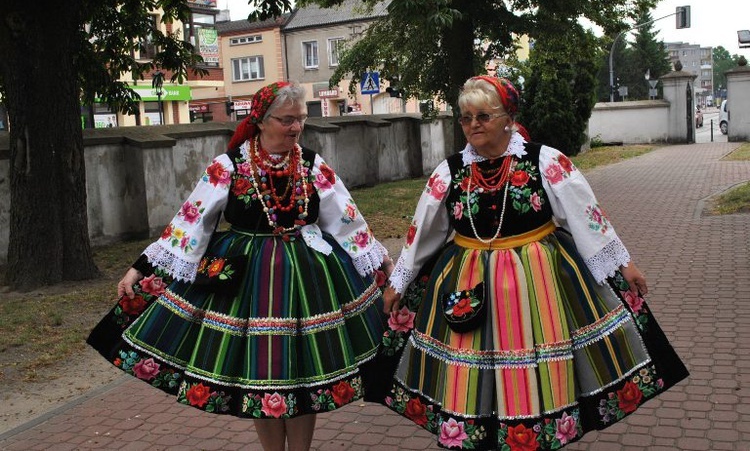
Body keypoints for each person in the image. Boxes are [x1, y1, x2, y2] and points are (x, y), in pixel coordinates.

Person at [378, 76, 688, 450]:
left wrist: (625, 266)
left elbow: (586, 217)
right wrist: (399, 282)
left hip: (536, 284)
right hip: (466, 282)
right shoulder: (450, 171)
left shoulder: (544, 160)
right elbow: (422, 233)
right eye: (465, 117)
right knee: (472, 379)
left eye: (483, 115)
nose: (473, 124)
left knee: (535, 377)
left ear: (508, 117)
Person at [88, 81, 394, 451]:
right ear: (261, 121)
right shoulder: (229, 165)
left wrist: (381, 264)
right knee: (261, 372)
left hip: (309, 277)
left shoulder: (312, 164)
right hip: (250, 279)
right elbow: (192, 221)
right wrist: (142, 268)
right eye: (286, 120)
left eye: (300, 119)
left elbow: (345, 219)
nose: (296, 127)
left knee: (304, 375)